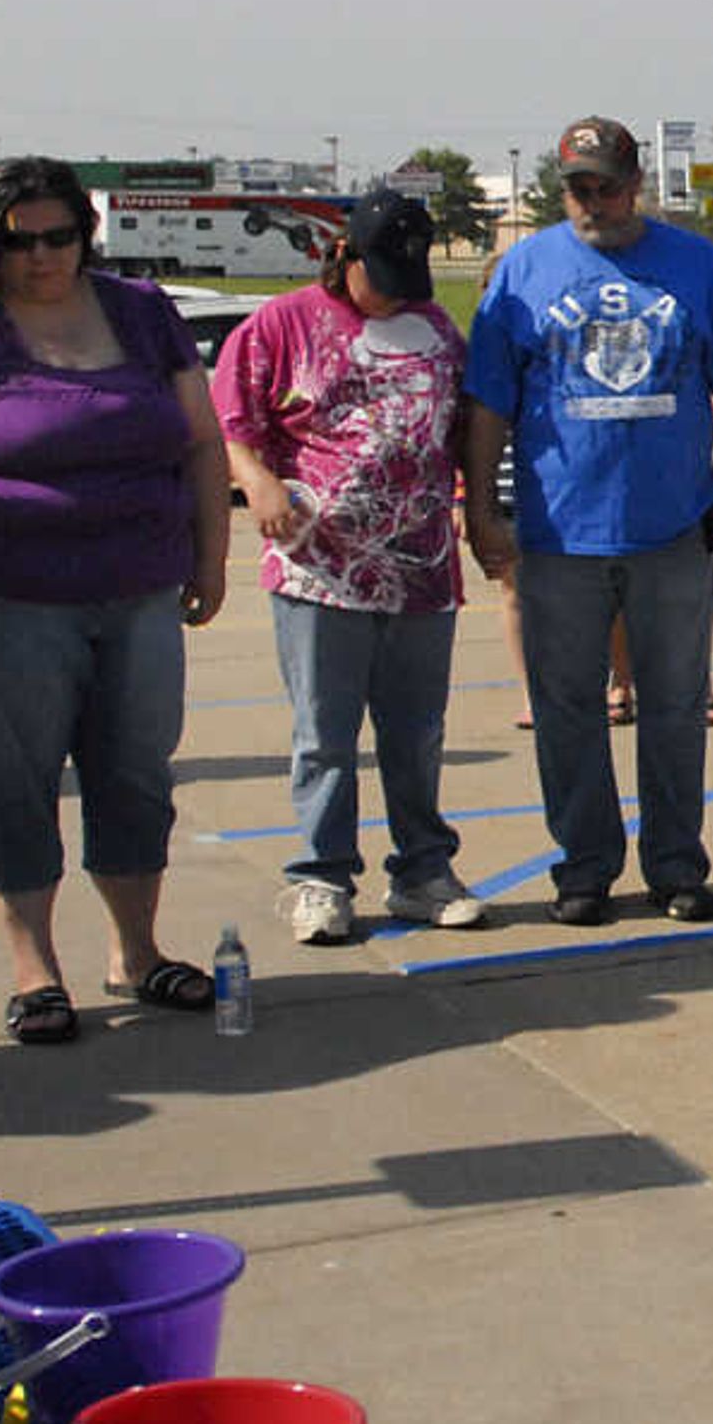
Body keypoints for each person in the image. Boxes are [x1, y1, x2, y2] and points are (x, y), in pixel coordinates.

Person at [0, 157, 231, 1045]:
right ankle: (36, 969)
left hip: (139, 589)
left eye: (58, 237)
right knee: (17, 779)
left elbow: (202, 443)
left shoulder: (141, 313)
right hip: (5, 597)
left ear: (86, 233)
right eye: (19, 240)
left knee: (137, 770)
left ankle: (136, 952)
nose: (40, 257)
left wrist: (210, 561)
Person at [461, 116, 713, 926]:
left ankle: (677, 865)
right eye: (577, 187)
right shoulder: (524, 269)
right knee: (567, 711)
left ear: (638, 184)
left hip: (672, 530)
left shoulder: (694, 264)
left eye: (606, 185)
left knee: (675, 707)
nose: (592, 200)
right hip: (558, 534)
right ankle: (585, 868)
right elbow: (489, 401)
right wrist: (484, 511)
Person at [215, 189, 485, 945]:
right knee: (325, 736)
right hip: (319, 571)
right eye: (384, 272)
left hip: (422, 567)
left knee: (415, 732)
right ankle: (323, 876)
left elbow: (465, 428)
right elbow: (232, 422)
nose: (397, 289)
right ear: (346, 255)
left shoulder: (435, 329)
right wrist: (260, 482)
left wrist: (479, 509)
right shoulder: (281, 323)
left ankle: (423, 871)